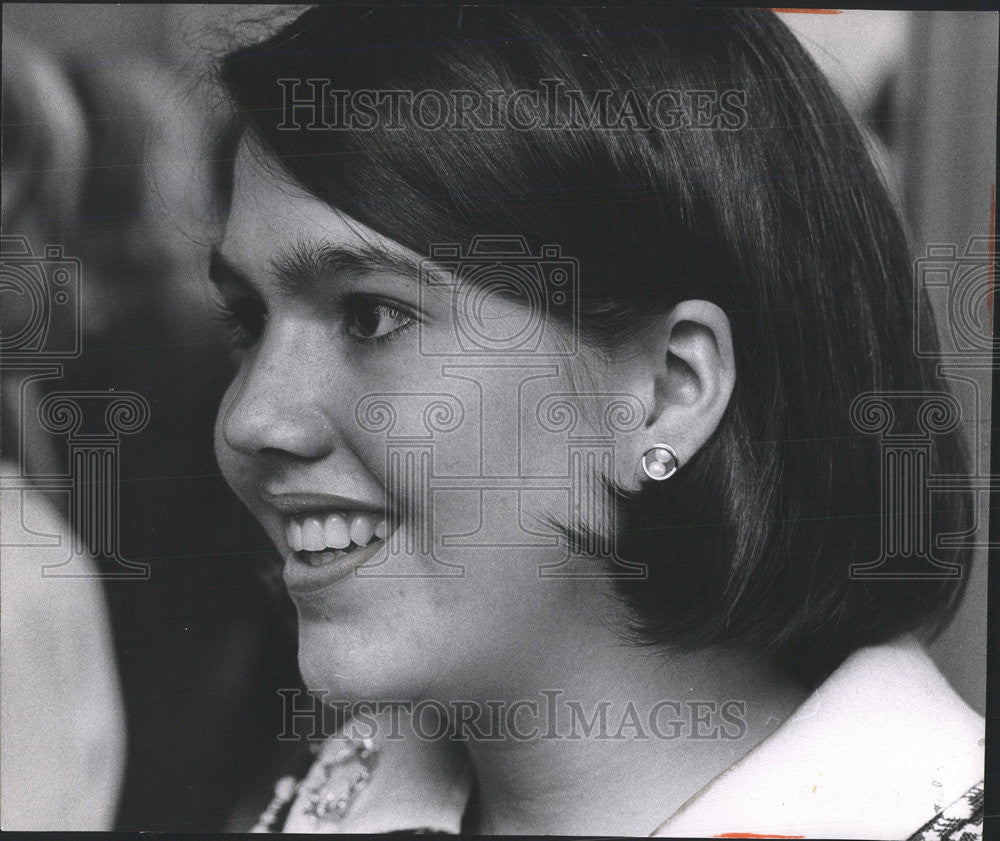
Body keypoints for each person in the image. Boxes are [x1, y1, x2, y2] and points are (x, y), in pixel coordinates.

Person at [209, 7, 984, 837]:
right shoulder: (333, 797)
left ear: (667, 392)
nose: (253, 419)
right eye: (248, 322)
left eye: (371, 317)